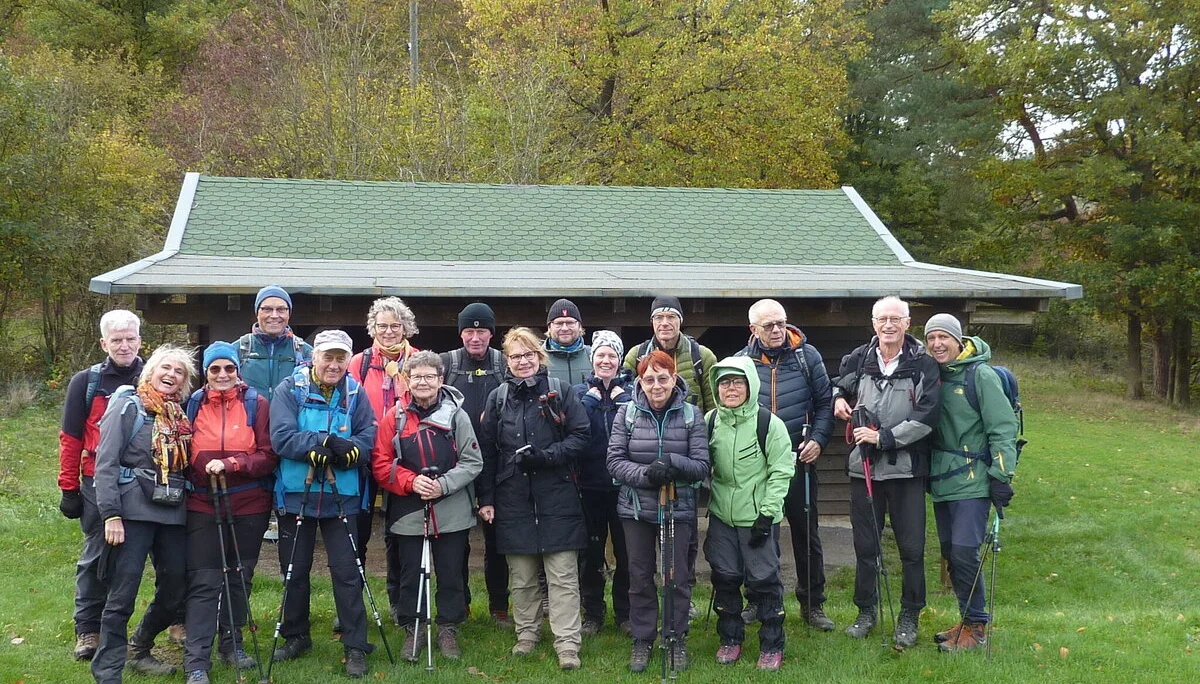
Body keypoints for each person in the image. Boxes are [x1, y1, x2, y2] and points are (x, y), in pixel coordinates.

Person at [476, 327, 590, 670]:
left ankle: (568, 642)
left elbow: (582, 437)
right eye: (515, 356)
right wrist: (487, 498)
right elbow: (488, 452)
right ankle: (526, 633)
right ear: (507, 361)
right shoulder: (497, 398)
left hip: (557, 496)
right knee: (522, 576)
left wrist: (548, 456)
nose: (523, 362)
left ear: (539, 357)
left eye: (528, 355)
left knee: (563, 576)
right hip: (513, 497)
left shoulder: (561, 392)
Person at [833, 296, 941, 648]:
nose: (889, 325)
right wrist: (837, 399)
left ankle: (909, 615)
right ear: (874, 323)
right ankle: (866, 611)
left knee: (911, 547)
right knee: (866, 546)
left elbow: (928, 417)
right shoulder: (860, 357)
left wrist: (885, 438)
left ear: (908, 323)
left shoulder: (924, 364)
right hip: (861, 468)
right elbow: (840, 384)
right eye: (883, 319)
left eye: (896, 319)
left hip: (906, 470)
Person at [268, 329, 377, 678]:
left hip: (342, 496)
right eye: (327, 356)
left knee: (347, 574)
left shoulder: (356, 393)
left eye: (340, 357)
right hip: (297, 493)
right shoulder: (290, 389)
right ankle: (296, 635)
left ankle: (355, 645)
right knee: (294, 571)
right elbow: (281, 437)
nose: (334, 364)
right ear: (313, 356)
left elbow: (367, 440)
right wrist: (322, 440)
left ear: (349, 360)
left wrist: (348, 454)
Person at [91, 345, 197, 683]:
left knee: (176, 589)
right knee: (122, 592)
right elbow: (104, 463)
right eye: (166, 367)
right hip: (131, 513)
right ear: (150, 371)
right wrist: (110, 515)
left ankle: (140, 647)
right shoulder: (127, 405)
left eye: (179, 372)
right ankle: (108, 669)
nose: (172, 375)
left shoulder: (181, 417)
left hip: (172, 511)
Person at [372, 351, 482, 662]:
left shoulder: (457, 416)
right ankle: (414, 627)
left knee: (451, 573)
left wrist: (443, 484)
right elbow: (380, 464)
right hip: (408, 510)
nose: (423, 382)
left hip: (451, 508)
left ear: (440, 380)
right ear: (407, 379)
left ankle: (448, 627)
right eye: (417, 376)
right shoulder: (393, 418)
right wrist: (410, 482)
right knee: (411, 573)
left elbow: (473, 461)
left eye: (430, 376)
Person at [734, 299, 836, 630]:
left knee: (807, 537)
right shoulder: (741, 363)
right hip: (758, 467)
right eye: (769, 326)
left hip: (799, 461)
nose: (777, 330)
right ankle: (759, 600)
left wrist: (818, 440)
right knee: (761, 537)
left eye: (781, 323)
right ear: (753, 329)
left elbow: (825, 403)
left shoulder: (809, 357)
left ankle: (812, 604)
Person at [607, 350, 710, 673]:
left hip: (677, 509)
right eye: (649, 379)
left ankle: (675, 637)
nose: (656, 385)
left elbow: (702, 465)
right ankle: (642, 637)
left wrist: (674, 464)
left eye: (662, 378)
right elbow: (614, 460)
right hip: (636, 509)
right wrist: (647, 475)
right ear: (640, 381)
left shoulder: (692, 415)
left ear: (674, 379)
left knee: (676, 578)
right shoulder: (626, 414)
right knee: (639, 577)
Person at [182, 342, 278, 683]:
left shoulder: (257, 404)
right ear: (206, 373)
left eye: (229, 369)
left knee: (240, 576)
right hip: (203, 502)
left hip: (248, 502)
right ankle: (196, 661)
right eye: (215, 369)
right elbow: (183, 450)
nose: (223, 375)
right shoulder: (192, 403)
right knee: (205, 580)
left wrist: (233, 463)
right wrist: (201, 464)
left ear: (238, 371)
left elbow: (268, 455)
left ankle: (232, 643)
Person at [923, 314, 1018, 651]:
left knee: (964, 552)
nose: (937, 344)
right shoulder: (933, 375)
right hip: (941, 480)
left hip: (974, 480)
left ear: (958, 340)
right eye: (931, 338)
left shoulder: (982, 375)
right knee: (952, 552)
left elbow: (1003, 428)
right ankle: (967, 619)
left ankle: (976, 627)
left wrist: (1002, 475)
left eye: (943, 337)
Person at [57, 310, 145, 662]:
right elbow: (71, 437)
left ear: (141, 340)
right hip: (98, 480)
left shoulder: (156, 375)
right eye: (116, 340)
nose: (124, 346)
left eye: (130, 339)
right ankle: (88, 629)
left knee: (160, 554)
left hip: (147, 481)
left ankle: (175, 621)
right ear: (103, 343)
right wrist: (68, 488)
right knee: (97, 556)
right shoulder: (86, 382)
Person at [704, 357, 794, 671]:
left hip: (756, 517)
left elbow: (782, 471)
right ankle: (730, 639)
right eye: (724, 383)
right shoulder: (711, 420)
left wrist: (767, 515)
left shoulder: (769, 424)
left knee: (764, 582)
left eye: (737, 382)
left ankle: (772, 644)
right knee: (725, 578)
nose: (731, 388)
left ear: (750, 386)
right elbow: (702, 461)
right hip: (721, 517)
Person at [439, 302, 510, 628]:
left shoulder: (504, 364)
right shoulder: (447, 363)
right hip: (457, 464)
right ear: (461, 333)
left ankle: (499, 604)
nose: (476, 337)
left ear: (491, 334)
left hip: (497, 463)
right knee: (457, 540)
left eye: (482, 331)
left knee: (498, 542)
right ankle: (461, 605)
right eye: (470, 330)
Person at [349, 296, 421, 616]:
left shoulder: (419, 360)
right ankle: (352, 605)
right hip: (366, 454)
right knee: (357, 530)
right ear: (372, 328)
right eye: (382, 326)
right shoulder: (359, 363)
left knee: (397, 531)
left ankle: (397, 601)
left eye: (395, 325)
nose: (389, 331)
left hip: (404, 456)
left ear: (406, 327)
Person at [571, 330, 633, 636]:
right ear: (592, 359)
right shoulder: (580, 393)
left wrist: (624, 401)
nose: (606, 360)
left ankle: (626, 613)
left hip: (624, 488)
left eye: (611, 355)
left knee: (627, 554)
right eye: (600, 355)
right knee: (591, 555)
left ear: (619, 361)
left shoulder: (633, 392)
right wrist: (590, 401)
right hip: (590, 486)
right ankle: (593, 614)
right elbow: (574, 430)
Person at [621, 295, 718, 414]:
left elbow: (714, 409)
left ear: (680, 320)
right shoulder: (636, 356)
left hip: (690, 429)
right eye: (659, 318)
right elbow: (626, 404)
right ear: (652, 322)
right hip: (648, 430)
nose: (665, 323)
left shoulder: (702, 356)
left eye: (671, 317)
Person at [237, 284, 313, 400]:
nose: (274, 315)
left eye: (281, 309)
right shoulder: (239, 349)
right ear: (257, 313)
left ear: (289, 314)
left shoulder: (305, 352)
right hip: (250, 417)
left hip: (289, 417)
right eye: (267, 309)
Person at [543, 298, 592, 385]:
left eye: (570, 323)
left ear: (579, 326)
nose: (565, 328)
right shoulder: (538, 358)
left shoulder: (593, 356)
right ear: (549, 327)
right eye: (559, 323)